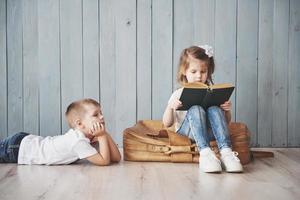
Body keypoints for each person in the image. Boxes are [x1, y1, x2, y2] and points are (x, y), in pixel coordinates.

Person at [163, 45, 243, 173]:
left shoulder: (211, 92)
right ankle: (205, 154)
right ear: (184, 71)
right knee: (196, 109)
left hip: (210, 132)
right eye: (193, 72)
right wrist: (170, 107)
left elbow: (225, 123)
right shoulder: (179, 93)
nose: (199, 76)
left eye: (203, 71)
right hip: (188, 132)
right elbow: (167, 123)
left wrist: (226, 110)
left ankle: (226, 152)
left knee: (214, 109)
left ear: (209, 71)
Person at [0, 98, 121, 166]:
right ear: (79, 124)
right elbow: (104, 161)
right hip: (19, 148)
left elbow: (116, 158)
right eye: (96, 115)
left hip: (26, 141)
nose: (102, 117)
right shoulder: (78, 141)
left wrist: (104, 134)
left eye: (101, 113)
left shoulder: (88, 137)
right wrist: (102, 136)